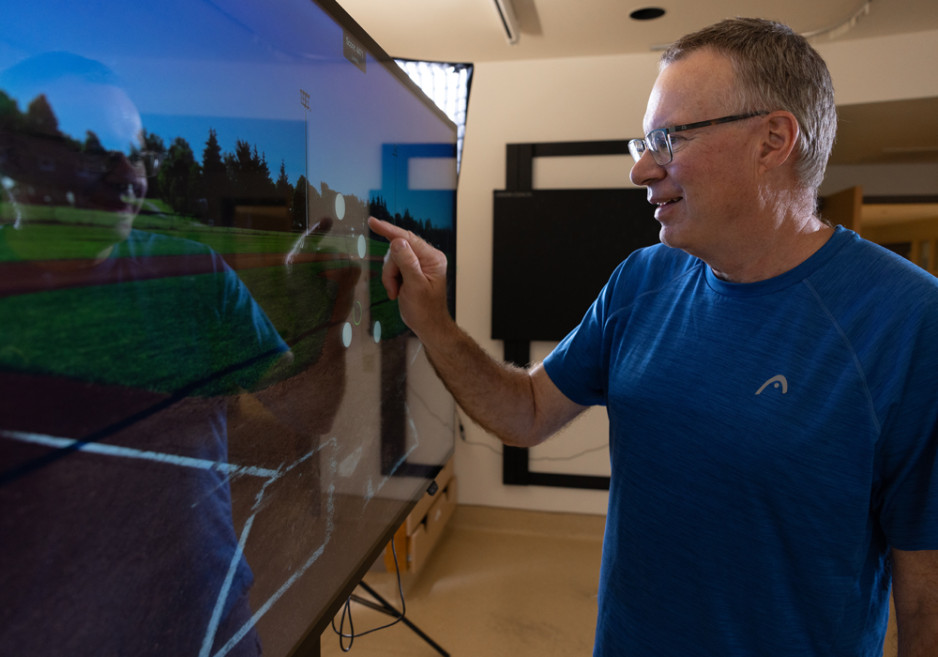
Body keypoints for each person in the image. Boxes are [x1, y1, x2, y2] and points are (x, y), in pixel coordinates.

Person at [368, 17, 938, 657]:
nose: (641, 168)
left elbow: (926, 591)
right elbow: (525, 413)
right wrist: (433, 324)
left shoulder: (911, 320)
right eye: (642, 141)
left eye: (668, 139)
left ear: (774, 139)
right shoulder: (642, 279)